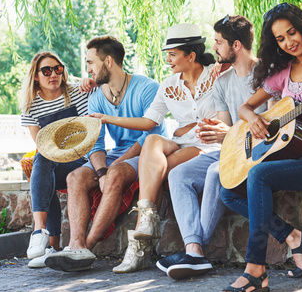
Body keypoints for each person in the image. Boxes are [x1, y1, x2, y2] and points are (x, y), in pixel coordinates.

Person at [220, 3, 302, 292]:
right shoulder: (285, 70)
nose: (288, 42)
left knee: (259, 175)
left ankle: (255, 270)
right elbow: (245, 107)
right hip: (293, 151)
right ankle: (294, 236)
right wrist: (254, 119)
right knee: (228, 191)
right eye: (280, 39)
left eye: (291, 33)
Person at [88, 24, 221, 274]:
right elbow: (149, 123)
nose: (167, 60)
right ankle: (147, 218)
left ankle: (140, 246)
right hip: (182, 142)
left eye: (172, 54)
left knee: (158, 173)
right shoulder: (169, 85)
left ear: (190, 55)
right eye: (166, 54)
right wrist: (107, 119)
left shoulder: (217, 75)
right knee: (151, 141)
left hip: (209, 144)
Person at [158, 15, 268, 280]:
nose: (214, 48)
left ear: (237, 45)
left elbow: (268, 127)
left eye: (218, 42)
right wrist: (218, 133)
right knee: (178, 173)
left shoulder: (267, 74)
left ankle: (194, 252)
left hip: (260, 150)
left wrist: (226, 133)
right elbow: (226, 130)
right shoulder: (221, 81)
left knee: (214, 173)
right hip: (230, 150)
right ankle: (193, 250)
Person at [44, 35, 166, 272]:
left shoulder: (147, 87)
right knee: (74, 177)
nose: (87, 69)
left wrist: (112, 169)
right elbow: (95, 142)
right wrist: (101, 172)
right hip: (116, 154)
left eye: (91, 62)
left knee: (116, 174)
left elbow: (148, 136)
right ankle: (75, 245)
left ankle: (86, 249)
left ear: (108, 61)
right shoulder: (97, 95)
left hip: (148, 152)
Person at [20, 51, 94, 268]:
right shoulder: (30, 106)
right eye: (46, 70)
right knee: (43, 163)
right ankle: (49, 245)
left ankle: (42, 236)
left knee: (43, 165)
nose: (53, 74)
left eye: (57, 68)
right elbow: (42, 145)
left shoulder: (77, 93)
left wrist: (91, 81)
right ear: (36, 76)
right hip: (54, 161)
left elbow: (90, 133)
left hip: (82, 159)